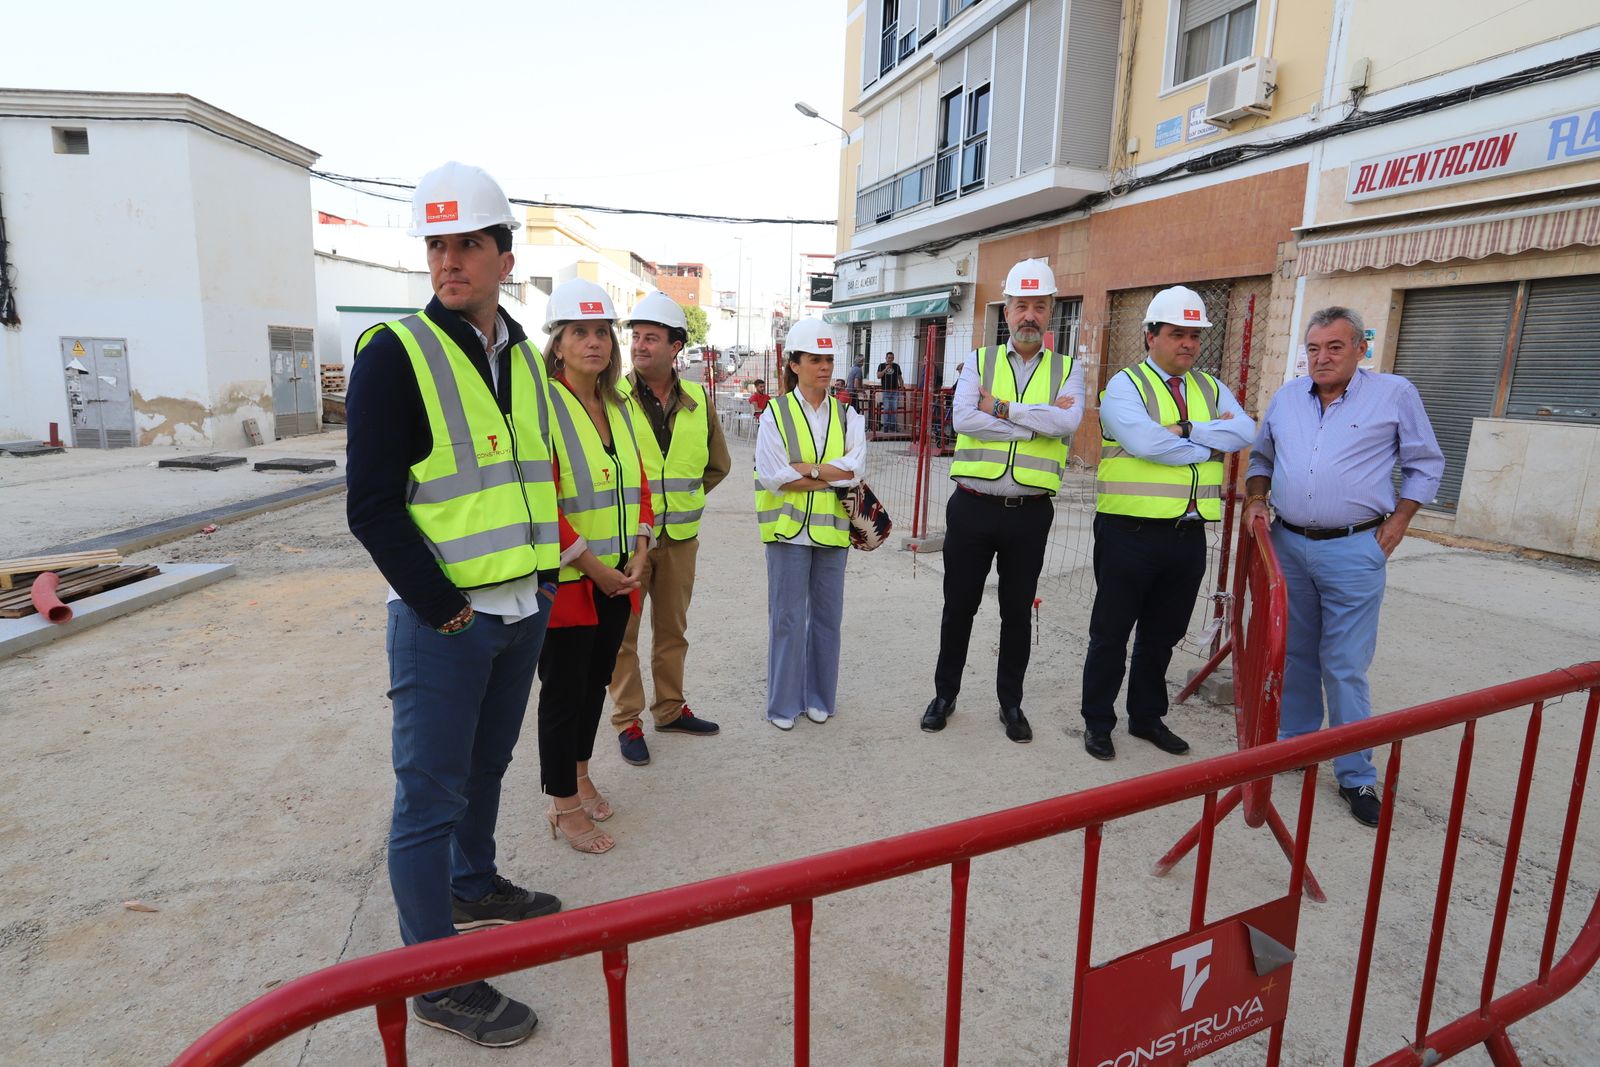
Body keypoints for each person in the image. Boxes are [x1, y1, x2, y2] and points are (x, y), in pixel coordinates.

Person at [346, 161, 562, 1048]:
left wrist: (543, 587)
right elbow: (371, 507)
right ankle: (434, 978)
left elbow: (531, 477)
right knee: (427, 799)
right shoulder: (394, 354)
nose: (448, 260)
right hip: (447, 621)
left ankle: (473, 886)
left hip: (520, 610)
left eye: (468, 243)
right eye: (437, 244)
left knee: (486, 769)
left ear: (505, 258)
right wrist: (444, 609)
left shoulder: (524, 359)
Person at [1243, 306, 1443, 826]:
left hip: (1355, 548)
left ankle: (1356, 775)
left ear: (1360, 349)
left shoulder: (1393, 394)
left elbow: (1425, 464)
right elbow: (1261, 458)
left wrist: (1400, 521)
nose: (1322, 357)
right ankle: (1297, 743)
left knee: (1345, 663)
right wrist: (1256, 499)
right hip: (1289, 543)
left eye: (1335, 346)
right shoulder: (1288, 397)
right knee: (1296, 653)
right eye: (1314, 348)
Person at [1080, 286, 1256, 762]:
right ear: (1151, 335)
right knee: (1111, 633)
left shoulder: (1209, 387)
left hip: (1187, 533)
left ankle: (1146, 717)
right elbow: (1147, 445)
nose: (1189, 344)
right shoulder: (1125, 386)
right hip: (1129, 531)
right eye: (1178, 334)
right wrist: (1212, 443)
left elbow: (1246, 431)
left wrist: (1188, 430)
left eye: (1195, 336)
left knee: (1163, 634)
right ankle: (1098, 721)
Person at [920, 258, 1084, 743]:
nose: (1029, 315)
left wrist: (1001, 408)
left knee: (1016, 612)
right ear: (1006, 310)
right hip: (972, 505)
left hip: (1029, 514)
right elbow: (964, 420)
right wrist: (1035, 422)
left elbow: (1067, 423)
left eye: (1039, 306)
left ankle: (1010, 703)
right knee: (959, 607)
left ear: (1051, 311)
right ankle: (944, 695)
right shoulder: (979, 361)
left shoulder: (1068, 369)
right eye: (1021, 306)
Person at [538, 280, 656, 853]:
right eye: (579, 332)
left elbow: (639, 485)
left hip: (618, 578)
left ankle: (581, 776)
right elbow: (542, 502)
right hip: (570, 585)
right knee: (564, 696)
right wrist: (593, 566)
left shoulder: (618, 406)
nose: (593, 343)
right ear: (557, 343)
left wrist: (641, 548)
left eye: (602, 333)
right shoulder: (542, 406)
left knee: (592, 689)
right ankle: (563, 806)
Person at [607, 290, 730, 766]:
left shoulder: (698, 400)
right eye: (636, 336)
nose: (639, 345)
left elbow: (717, 465)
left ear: (675, 346)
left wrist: (685, 500)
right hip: (628, 542)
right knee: (623, 636)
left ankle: (671, 710)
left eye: (651, 338)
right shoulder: (611, 398)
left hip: (679, 540)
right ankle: (628, 721)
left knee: (672, 630)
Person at [755, 317, 867, 730]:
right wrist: (830, 474)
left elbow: (855, 469)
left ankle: (819, 698)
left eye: (828, 359)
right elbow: (773, 475)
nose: (824, 367)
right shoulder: (775, 413)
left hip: (832, 532)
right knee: (786, 619)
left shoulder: (848, 415)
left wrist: (807, 469)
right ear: (794, 364)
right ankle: (783, 705)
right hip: (786, 532)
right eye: (815, 359)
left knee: (826, 619)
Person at [877, 351, 904, 433]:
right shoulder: (881, 365)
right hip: (886, 391)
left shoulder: (896, 366)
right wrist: (886, 368)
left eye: (892, 358)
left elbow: (900, 377)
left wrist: (901, 387)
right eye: (889, 358)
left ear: (893, 358)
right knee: (887, 408)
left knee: (894, 409)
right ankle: (886, 426)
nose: (890, 359)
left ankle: (893, 426)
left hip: (895, 391)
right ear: (886, 358)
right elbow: (878, 376)